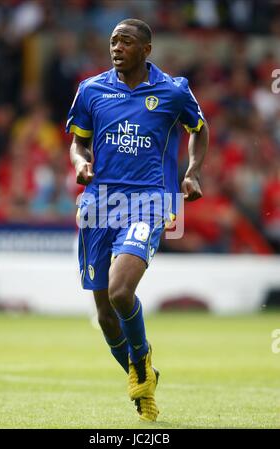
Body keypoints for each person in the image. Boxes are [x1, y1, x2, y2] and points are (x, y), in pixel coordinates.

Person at [66, 18, 209, 422]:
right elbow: (78, 141)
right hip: (99, 204)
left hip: (149, 202)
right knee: (105, 315)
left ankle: (142, 360)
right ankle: (143, 378)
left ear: (146, 49)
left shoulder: (173, 90)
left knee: (120, 291)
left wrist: (193, 170)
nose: (117, 47)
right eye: (113, 41)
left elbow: (199, 128)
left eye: (126, 41)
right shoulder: (91, 90)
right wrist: (80, 163)